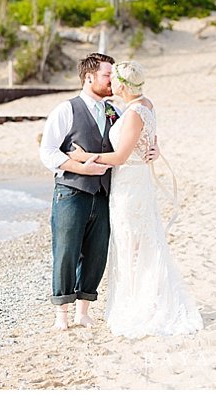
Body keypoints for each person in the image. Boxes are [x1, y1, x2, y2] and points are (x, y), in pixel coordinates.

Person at [66, 60, 203, 337]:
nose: (111, 83)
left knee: (131, 243)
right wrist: (153, 149)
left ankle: (140, 306)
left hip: (130, 185)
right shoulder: (146, 104)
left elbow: (120, 157)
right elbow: (148, 139)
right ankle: (143, 300)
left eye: (114, 80)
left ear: (124, 85)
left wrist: (82, 157)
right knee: (140, 241)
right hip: (135, 181)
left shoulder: (133, 114)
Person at [38, 53, 159, 331]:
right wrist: (80, 168)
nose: (112, 81)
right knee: (66, 251)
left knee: (96, 253)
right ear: (89, 77)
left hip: (105, 193)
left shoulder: (114, 111)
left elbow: (133, 139)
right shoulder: (66, 110)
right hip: (71, 191)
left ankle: (84, 312)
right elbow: (47, 152)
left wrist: (154, 149)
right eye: (107, 75)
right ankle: (62, 316)